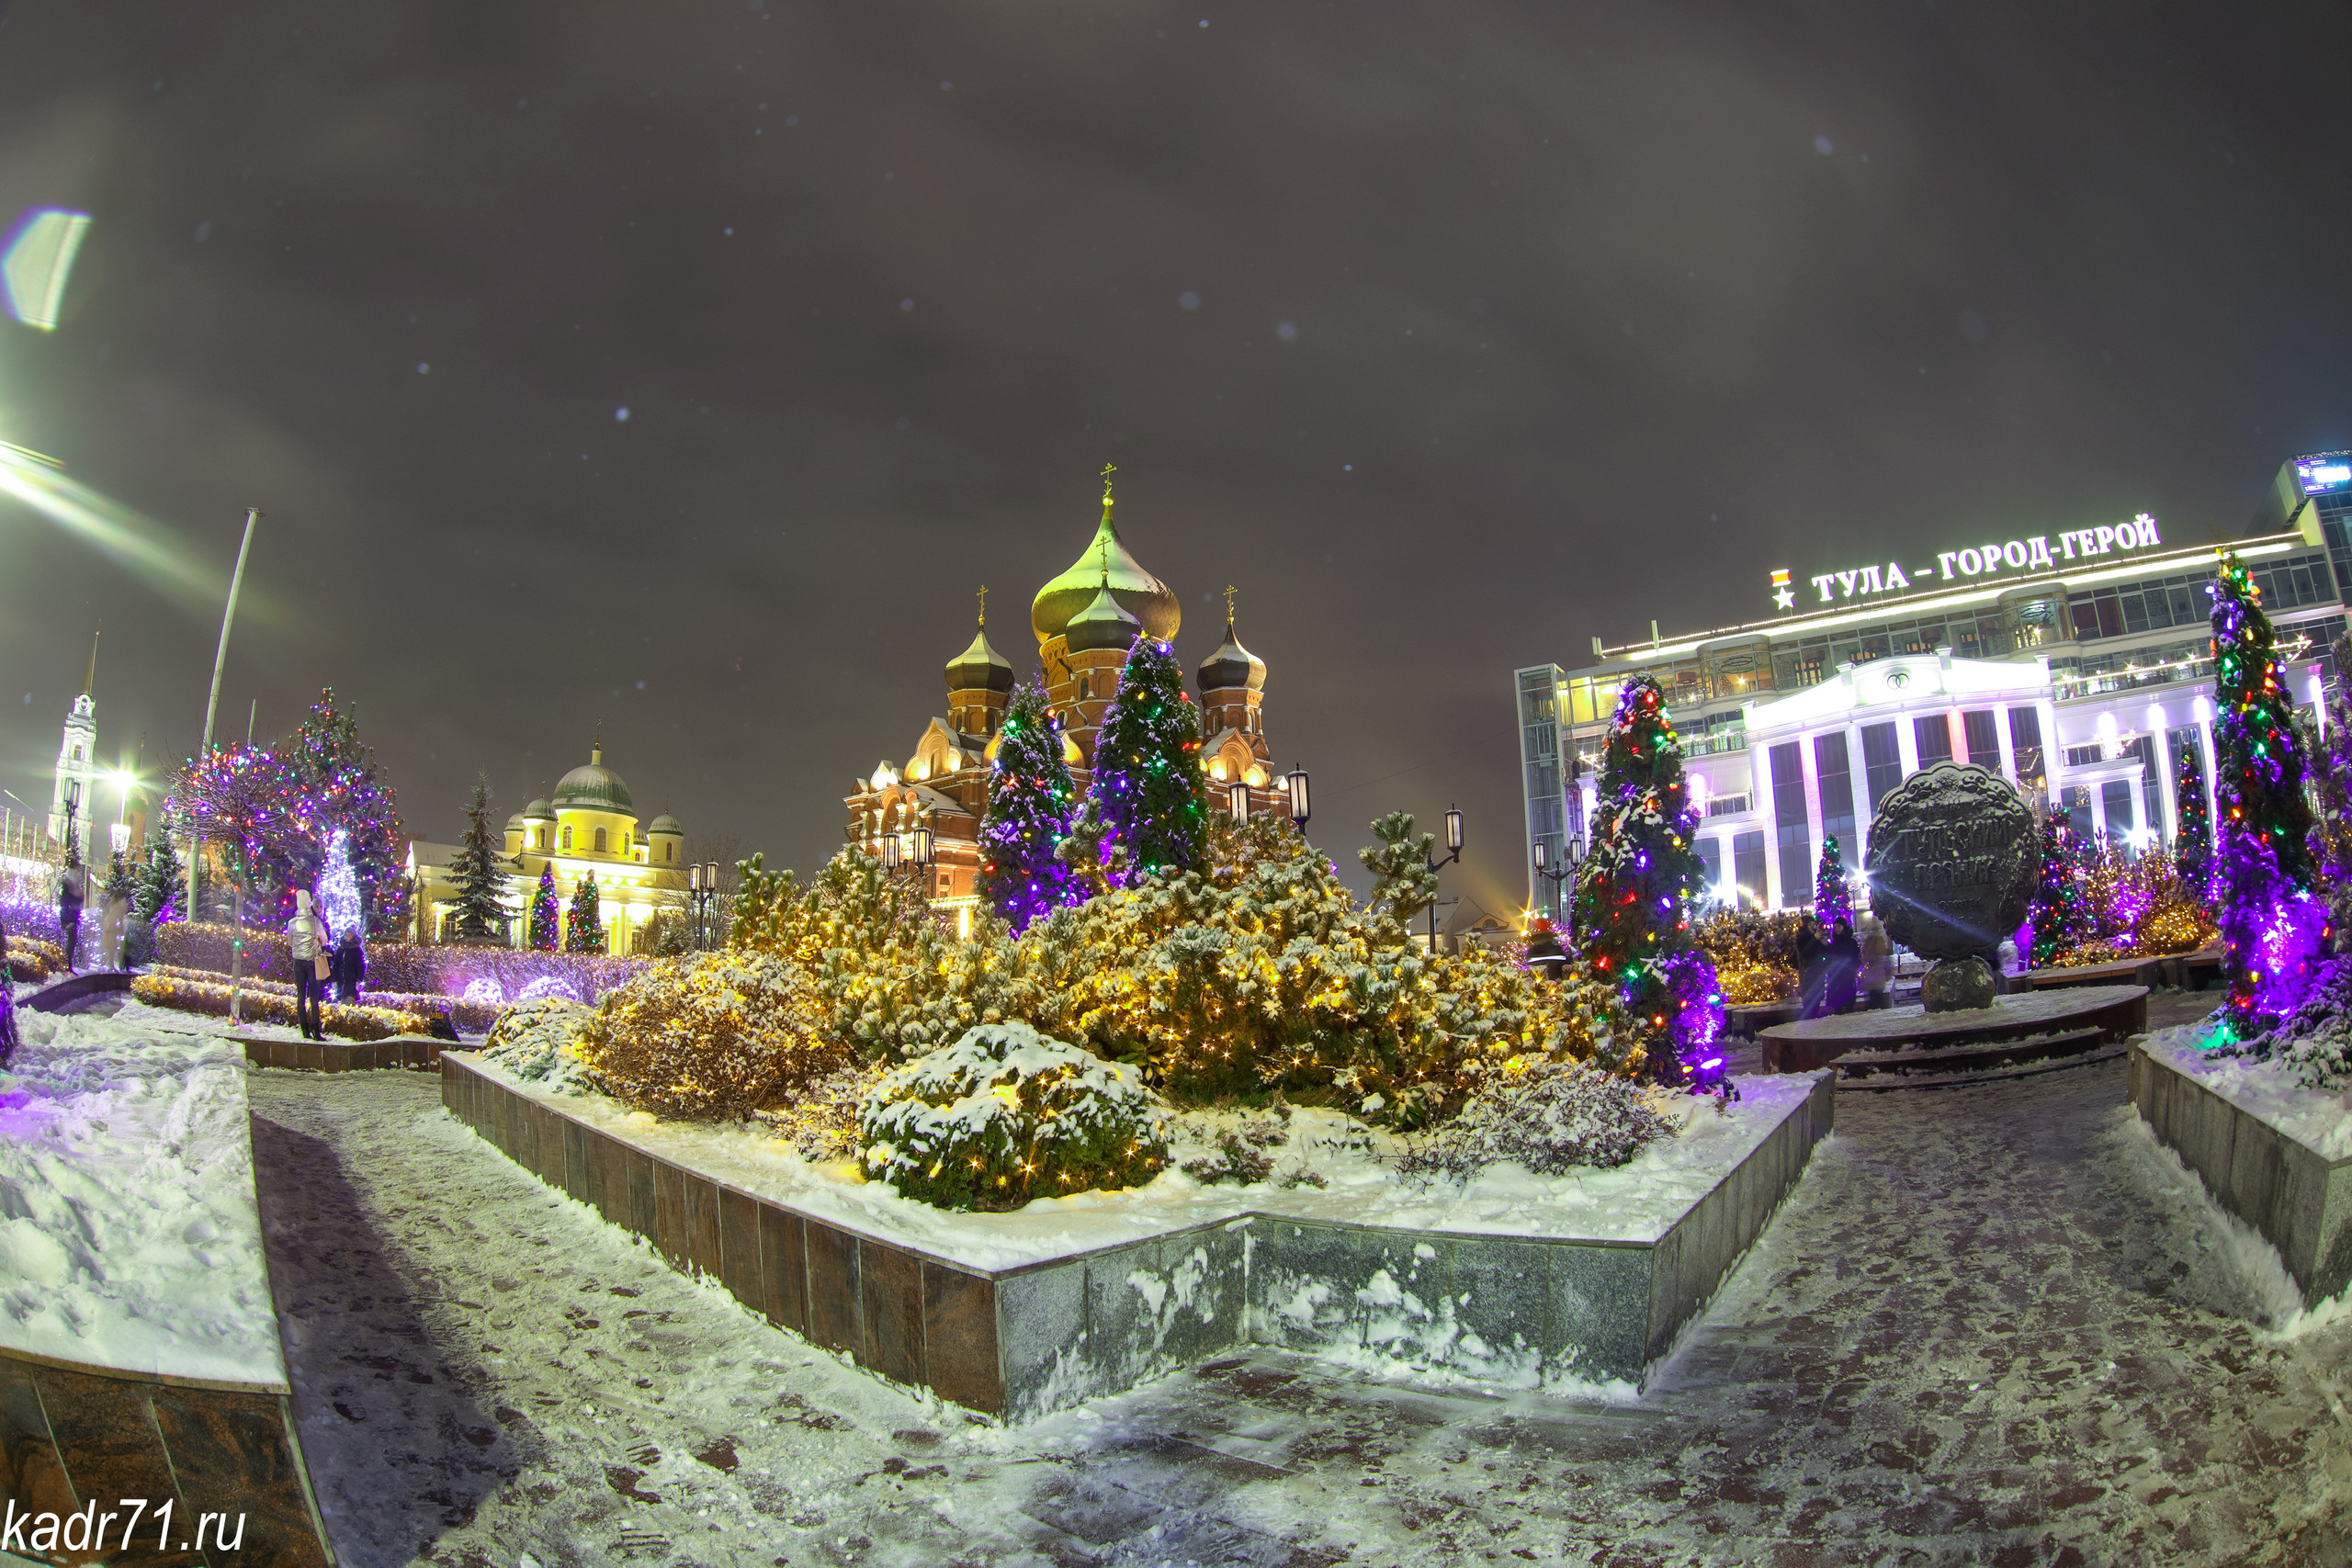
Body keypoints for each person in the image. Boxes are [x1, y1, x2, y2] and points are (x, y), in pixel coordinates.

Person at [288, 890, 330, 1041]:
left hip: (298, 962)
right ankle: (316, 1031)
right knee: (314, 997)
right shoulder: (315, 921)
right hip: (313, 962)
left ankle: (304, 1030)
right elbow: (324, 940)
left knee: (300, 996)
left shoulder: (292, 922)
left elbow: (290, 942)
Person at [55, 851, 85, 975]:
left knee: (71, 940)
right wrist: (80, 896)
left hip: (69, 914)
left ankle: (67, 964)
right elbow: (73, 898)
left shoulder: (68, 879)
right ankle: (67, 965)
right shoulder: (71, 880)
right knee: (71, 941)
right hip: (70, 915)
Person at [1794, 915, 1828, 1019]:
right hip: (1808, 974)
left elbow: (1823, 955)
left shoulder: (1816, 938)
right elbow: (1805, 953)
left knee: (1816, 1002)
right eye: (1810, 924)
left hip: (1818, 974)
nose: (1813, 927)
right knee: (1809, 1005)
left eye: (1814, 924)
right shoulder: (1802, 938)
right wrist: (1814, 939)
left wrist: (1824, 945)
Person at [1827, 919, 1861, 1015]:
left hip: (1848, 975)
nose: (1837, 929)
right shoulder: (1833, 943)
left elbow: (1856, 957)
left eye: (1839, 926)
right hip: (1836, 977)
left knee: (1848, 1003)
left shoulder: (1851, 942)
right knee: (1838, 1005)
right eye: (1835, 927)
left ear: (1844, 927)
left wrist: (1852, 968)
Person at [331, 928, 365, 1005]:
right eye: (346, 935)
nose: (347, 937)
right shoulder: (341, 949)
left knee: (349, 1002)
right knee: (341, 1003)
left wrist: (358, 980)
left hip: (351, 982)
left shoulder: (357, 950)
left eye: (349, 935)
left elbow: (360, 967)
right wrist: (334, 979)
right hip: (341, 981)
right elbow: (336, 965)